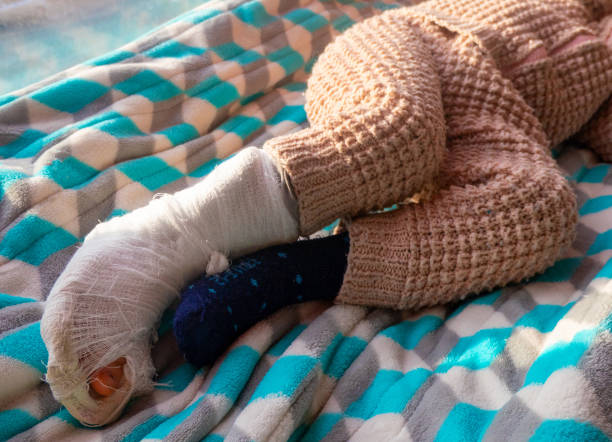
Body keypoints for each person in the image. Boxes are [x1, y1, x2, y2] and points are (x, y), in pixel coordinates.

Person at [40, 0, 612, 426]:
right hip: (416, 49)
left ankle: (284, 271)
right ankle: (170, 233)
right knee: (397, 136)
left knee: (544, 210)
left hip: (498, 123)